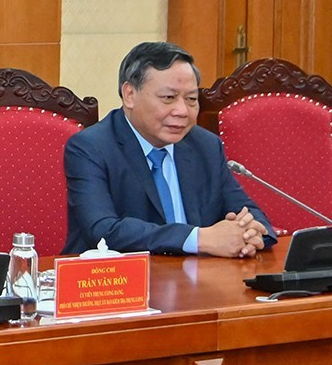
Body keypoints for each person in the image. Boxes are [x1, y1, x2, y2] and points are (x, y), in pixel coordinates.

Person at [64, 41, 273, 255]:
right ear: (129, 95)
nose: (182, 111)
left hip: (198, 280)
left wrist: (250, 233)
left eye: (191, 99)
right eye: (168, 98)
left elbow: (249, 212)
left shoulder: (205, 145)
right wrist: (198, 239)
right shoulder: (91, 148)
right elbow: (103, 230)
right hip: (117, 282)